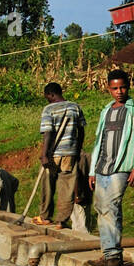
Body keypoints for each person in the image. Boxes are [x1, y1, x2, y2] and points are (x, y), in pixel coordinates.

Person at [88, 69, 134, 266]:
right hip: (102, 167)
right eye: (115, 88)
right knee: (101, 208)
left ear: (129, 85)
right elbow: (99, 140)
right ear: (108, 89)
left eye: (122, 87)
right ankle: (109, 253)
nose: (119, 91)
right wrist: (92, 170)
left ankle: (113, 256)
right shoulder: (106, 111)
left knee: (111, 206)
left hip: (122, 166)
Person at [33, 81, 85, 228]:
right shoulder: (75, 107)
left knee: (47, 185)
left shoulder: (48, 109)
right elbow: (81, 131)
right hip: (70, 153)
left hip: (53, 154)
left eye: (46, 96)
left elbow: (48, 133)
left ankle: (45, 216)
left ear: (51, 94)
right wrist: (78, 149)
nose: (47, 99)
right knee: (67, 187)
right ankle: (61, 220)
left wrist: (44, 155)